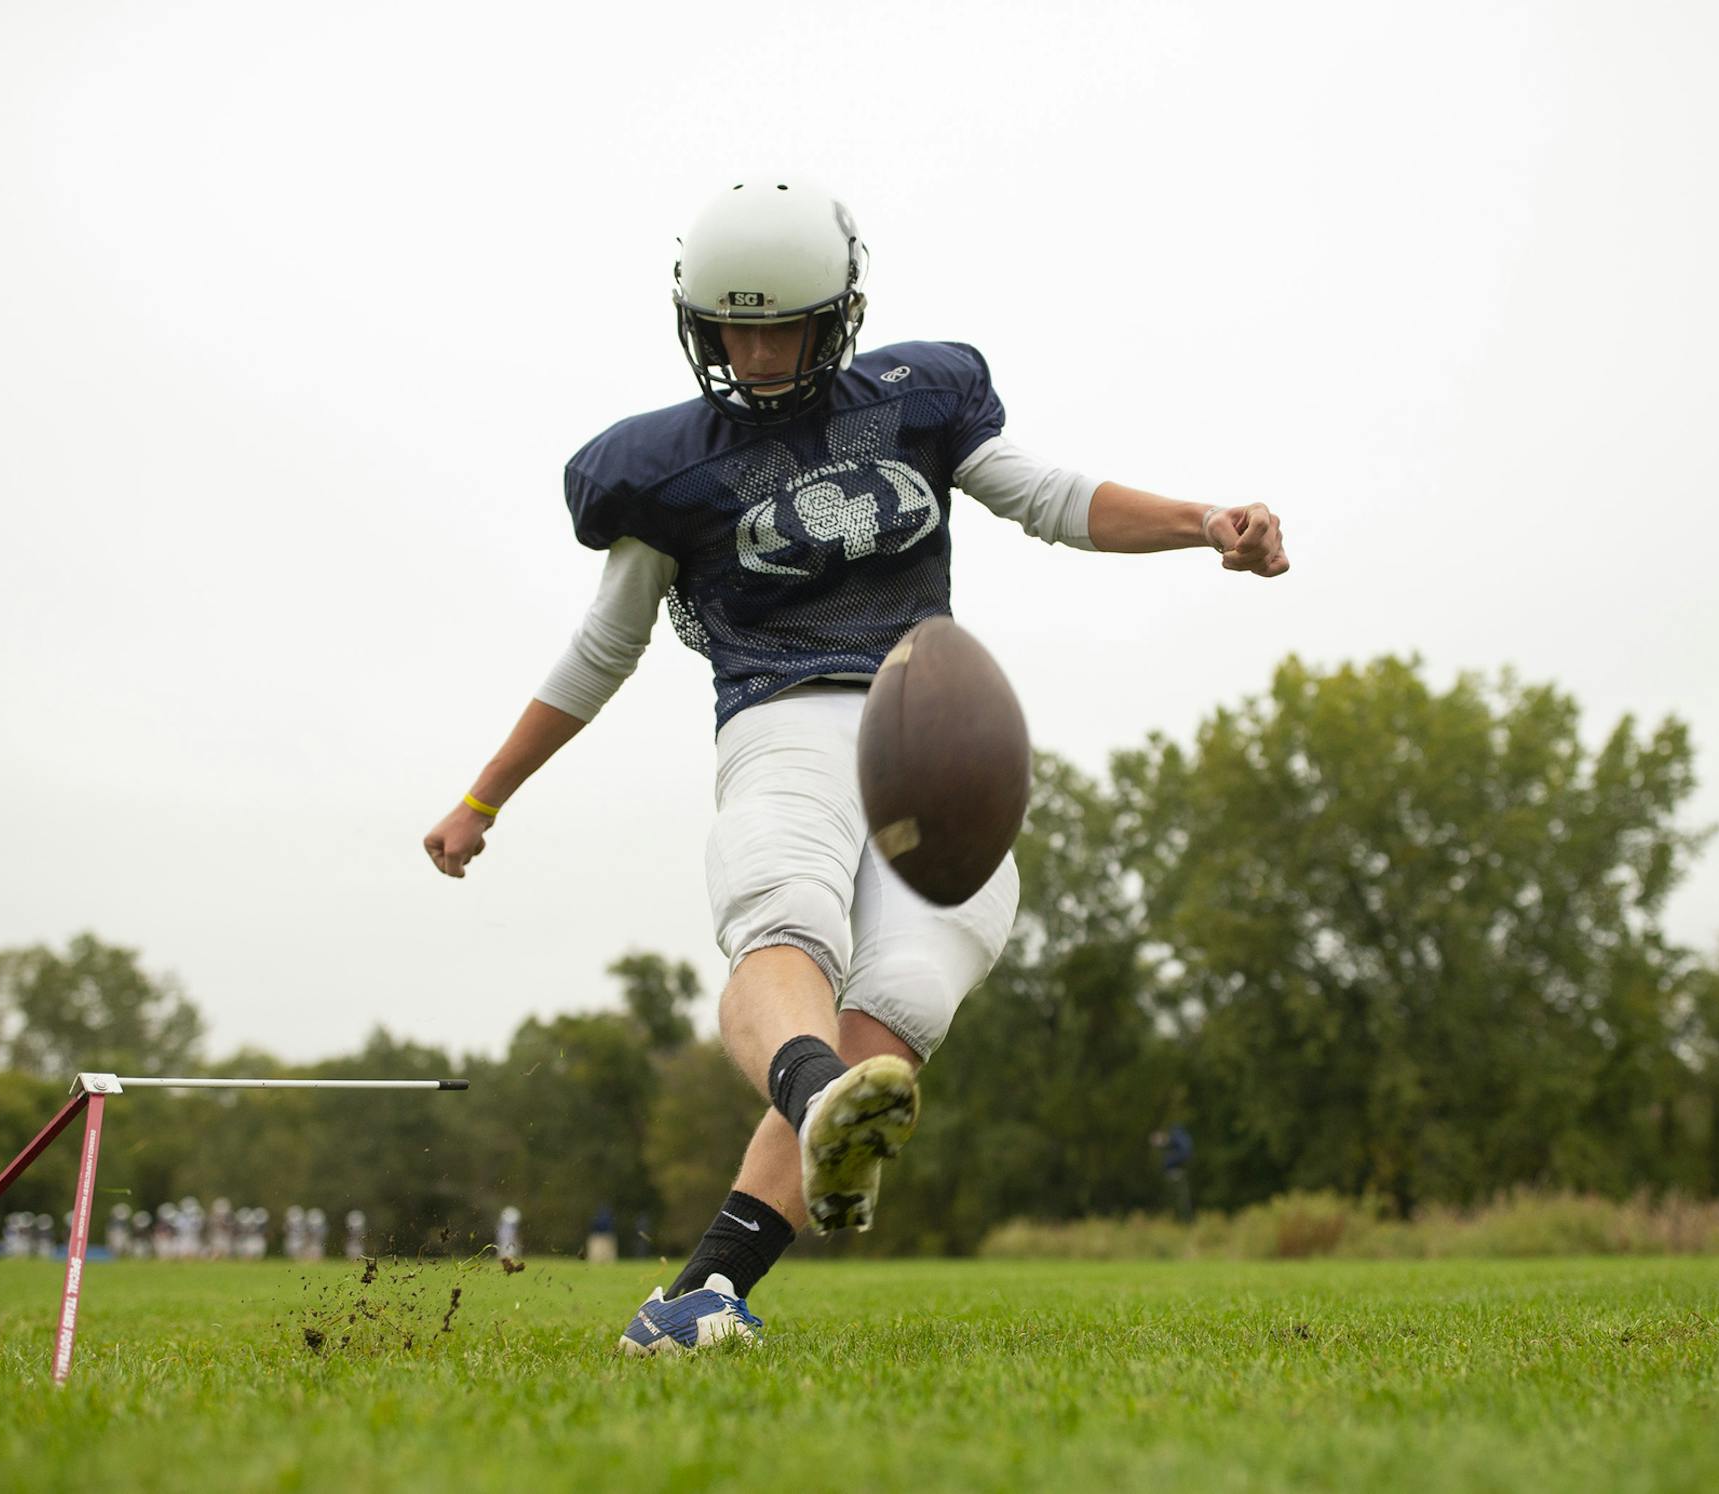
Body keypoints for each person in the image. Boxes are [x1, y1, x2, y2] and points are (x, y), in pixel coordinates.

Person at [423, 178, 1289, 1354]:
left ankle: (702, 1293)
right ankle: (805, 1102)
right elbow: (602, 649)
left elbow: (1049, 496)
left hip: (935, 729)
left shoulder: (918, 396)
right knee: (785, 921)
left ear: (839, 312)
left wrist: (1207, 521)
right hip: (781, 723)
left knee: (902, 1007)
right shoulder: (662, 469)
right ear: (700, 320)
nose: (762, 350)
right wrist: (483, 796)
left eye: (784, 322)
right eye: (738, 325)